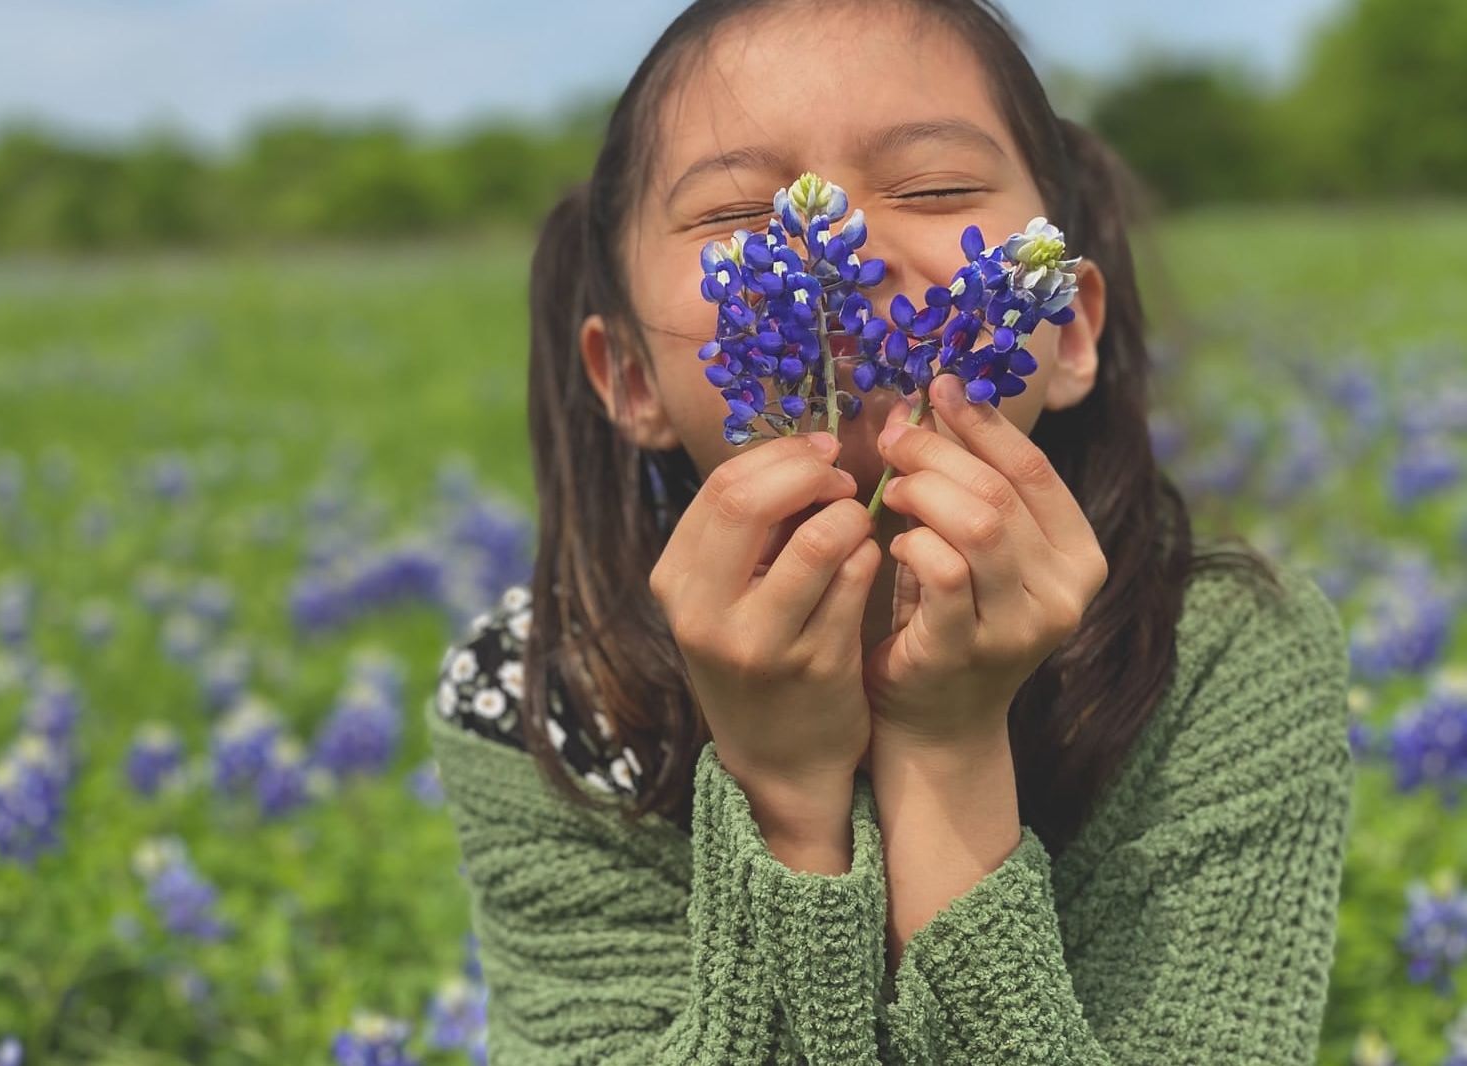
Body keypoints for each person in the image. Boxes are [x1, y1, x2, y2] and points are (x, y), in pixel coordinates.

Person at [428, 0, 1354, 1061]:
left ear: (1069, 327)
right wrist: (783, 795)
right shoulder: (545, 691)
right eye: (738, 214)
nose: (841, 254)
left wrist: (946, 748)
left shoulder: (1219, 656)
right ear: (629, 377)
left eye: (933, 190)